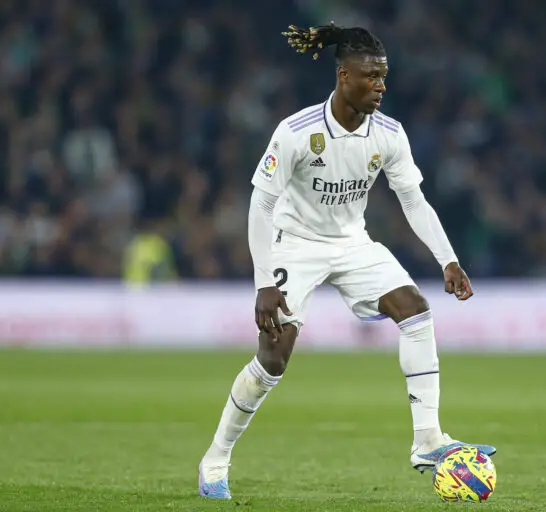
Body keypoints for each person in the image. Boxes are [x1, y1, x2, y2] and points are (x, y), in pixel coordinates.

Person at [198, 22, 496, 500]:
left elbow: (413, 200)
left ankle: (428, 441)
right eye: (371, 76)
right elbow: (261, 204)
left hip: (352, 242)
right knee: (273, 359)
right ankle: (216, 458)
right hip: (295, 243)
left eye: (384, 77)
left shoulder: (389, 135)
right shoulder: (297, 132)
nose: (380, 86)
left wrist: (448, 259)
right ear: (343, 76)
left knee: (415, 309)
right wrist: (263, 281)